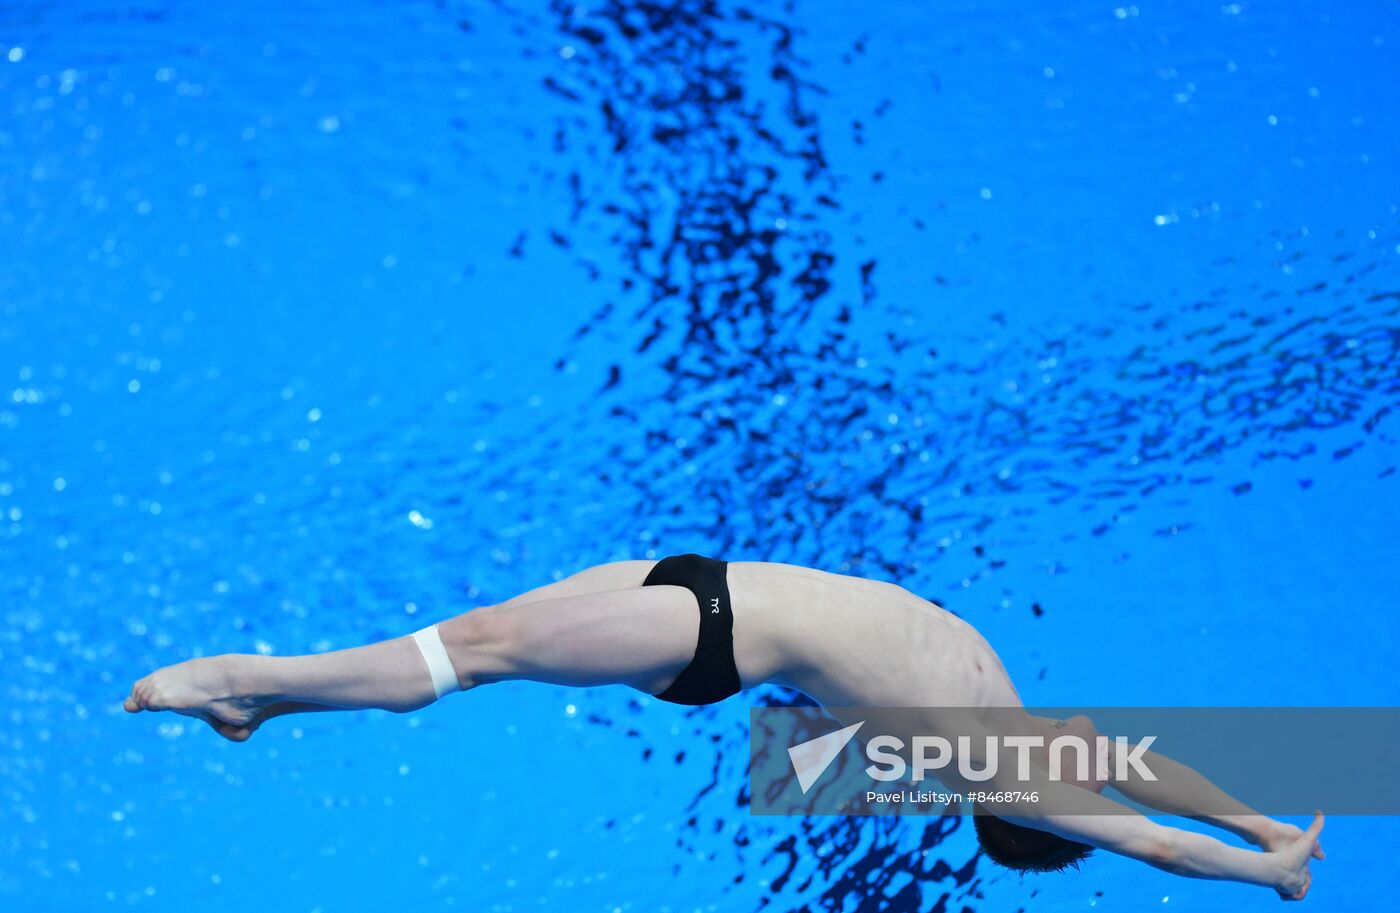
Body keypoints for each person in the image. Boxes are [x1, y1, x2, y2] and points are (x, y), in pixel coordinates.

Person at [124, 553, 1324, 898]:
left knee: (476, 655)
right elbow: (1153, 771)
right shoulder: (1001, 704)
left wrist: (1261, 870)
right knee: (489, 622)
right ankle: (262, 715)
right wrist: (1263, 810)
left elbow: (1155, 836)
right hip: (699, 574)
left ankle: (248, 682)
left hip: (708, 635)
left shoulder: (995, 759)